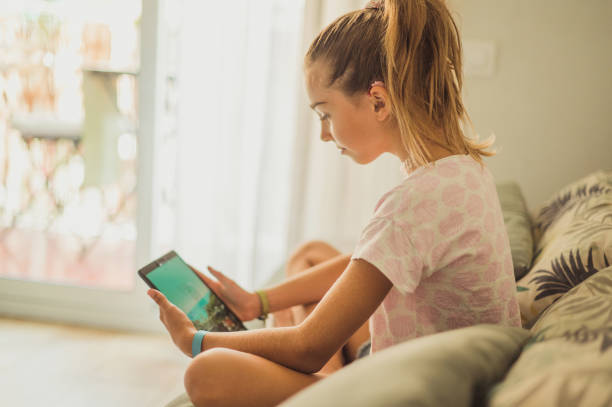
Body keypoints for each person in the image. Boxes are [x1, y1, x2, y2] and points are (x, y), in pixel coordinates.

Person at [147, 0, 521, 406]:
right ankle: (321, 367)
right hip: (397, 359)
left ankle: (326, 383)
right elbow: (377, 260)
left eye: (325, 114)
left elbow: (308, 347)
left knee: (207, 372)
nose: (325, 134)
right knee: (310, 254)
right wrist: (259, 302)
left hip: (401, 389)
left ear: (379, 102)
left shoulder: (413, 203)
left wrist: (194, 339)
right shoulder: (460, 171)